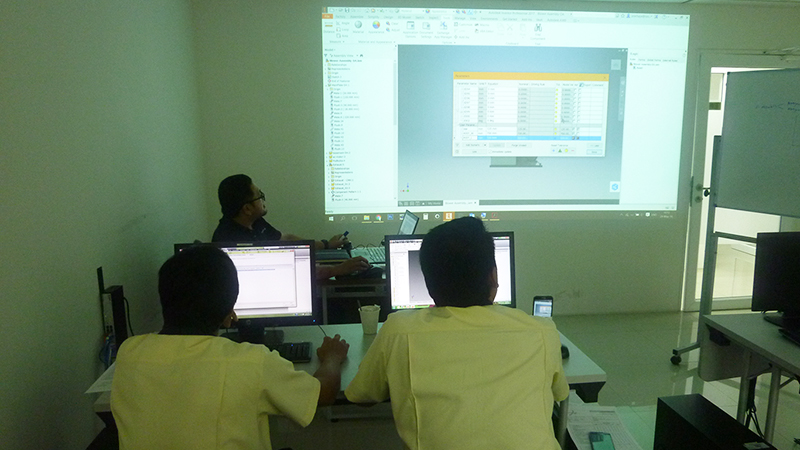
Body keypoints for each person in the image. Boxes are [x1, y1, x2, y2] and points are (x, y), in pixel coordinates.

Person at [344, 217, 569, 450]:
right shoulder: (542, 331)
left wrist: (332, 362)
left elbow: (361, 396)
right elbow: (560, 393)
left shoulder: (399, 331)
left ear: (427, 284)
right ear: (493, 277)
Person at [111, 245, 349, 450]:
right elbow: (324, 394)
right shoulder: (252, 361)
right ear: (229, 314)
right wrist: (332, 357)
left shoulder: (129, 352)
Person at [212, 174, 369, 279]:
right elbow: (288, 273)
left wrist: (326, 244)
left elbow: (285, 239)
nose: (263, 200)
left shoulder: (254, 222)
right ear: (247, 209)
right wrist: (338, 269)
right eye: (260, 196)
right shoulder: (231, 242)